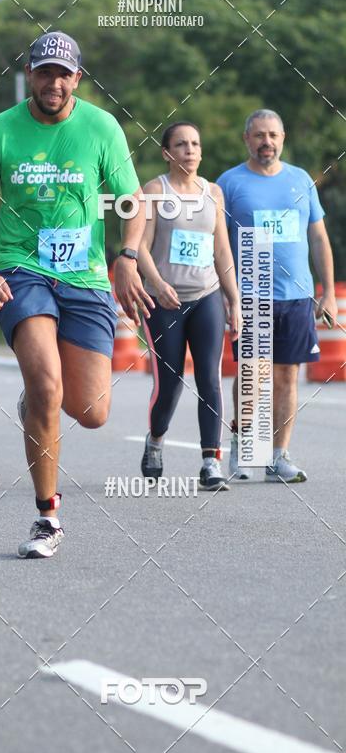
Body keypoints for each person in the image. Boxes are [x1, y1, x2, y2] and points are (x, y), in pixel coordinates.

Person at [0, 31, 152, 558]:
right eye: (45, 72)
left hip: (85, 277)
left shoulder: (101, 127)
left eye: (64, 74)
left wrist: (128, 257)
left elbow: (132, 201)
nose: (54, 83)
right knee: (47, 387)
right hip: (21, 271)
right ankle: (47, 516)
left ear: (77, 79)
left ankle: (38, 402)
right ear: (30, 75)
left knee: (91, 411)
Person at [218, 109, 337, 483]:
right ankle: (244, 448)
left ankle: (278, 456)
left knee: (287, 376)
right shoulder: (230, 183)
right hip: (251, 293)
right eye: (258, 135)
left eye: (272, 135)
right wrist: (226, 293)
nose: (265, 142)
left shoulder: (301, 180)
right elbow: (217, 243)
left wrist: (329, 292)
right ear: (246, 139)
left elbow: (318, 238)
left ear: (283, 138)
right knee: (252, 374)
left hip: (296, 296)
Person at [139, 121, 241, 491]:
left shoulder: (213, 193)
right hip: (163, 301)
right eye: (181, 145)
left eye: (195, 144)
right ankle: (155, 441)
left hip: (206, 297)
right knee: (169, 384)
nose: (190, 151)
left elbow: (222, 251)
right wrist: (159, 284)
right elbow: (140, 248)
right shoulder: (154, 190)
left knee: (210, 380)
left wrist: (234, 299)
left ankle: (210, 461)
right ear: (167, 153)